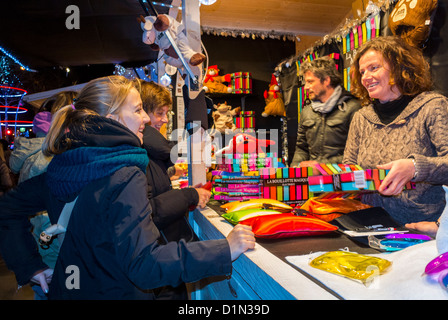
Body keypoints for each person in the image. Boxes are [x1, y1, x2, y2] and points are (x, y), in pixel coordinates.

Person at [0, 75, 255, 300]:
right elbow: (145, 265)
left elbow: (8, 208)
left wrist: (29, 266)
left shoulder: (67, 162)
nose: (145, 117)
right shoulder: (124, 173)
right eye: (137, 110)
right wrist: (224, 250)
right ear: (112, 119)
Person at [343, 35, 448, 226]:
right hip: (369, 225)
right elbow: (350, 169)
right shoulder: (361, 117)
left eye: (374, 68)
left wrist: (415, 168)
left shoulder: (432, 106)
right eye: (362, 72)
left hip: (421, 230)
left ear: (400, 68)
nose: (366, 77)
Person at [8, 91, 76, 299]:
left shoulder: (34, 155)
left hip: (41, 246)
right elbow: (51, 215)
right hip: (52, 251)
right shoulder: (50, 160)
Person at [291, 57, 361, 169]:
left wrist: (322, 166)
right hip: (313, 180)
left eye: (310, 81)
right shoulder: (307, 112)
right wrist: (295, 169)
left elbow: (359, 153)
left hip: (344, 180)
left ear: (326, 80)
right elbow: (301, 148)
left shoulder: (353, 108)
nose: (306, 87)